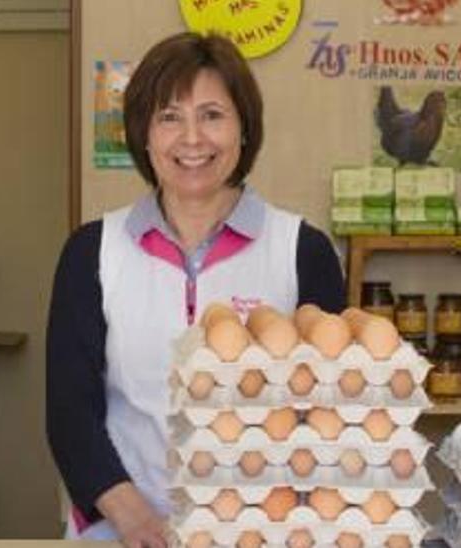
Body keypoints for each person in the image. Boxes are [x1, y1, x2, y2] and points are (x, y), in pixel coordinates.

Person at [45, 32, 346, 546]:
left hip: (263, 531)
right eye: (169, 117)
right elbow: (70, 408)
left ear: (244, 129)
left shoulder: (302, 251)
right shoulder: (93, 252)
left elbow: (329, 411)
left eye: (212, 115)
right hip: (123, 528)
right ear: (143, 133)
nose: (192, 139)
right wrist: (130, 513)